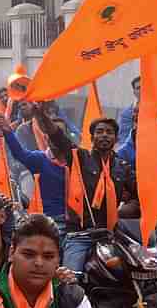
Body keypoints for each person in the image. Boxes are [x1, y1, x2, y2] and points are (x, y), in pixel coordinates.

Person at [35, 104, 138, 273]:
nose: (104, 135)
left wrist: (121, 212)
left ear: (116, 138)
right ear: (92, 138)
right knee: (70, 280)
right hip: (80, 236)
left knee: (131, 274)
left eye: (109, 132)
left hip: (111, 236)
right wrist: (41, 115)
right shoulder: (79, 157)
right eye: (100, 131)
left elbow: (140, 197)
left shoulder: (123, 167)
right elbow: (57, 136)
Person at [0, 114, 69, 240]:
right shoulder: (40, 159)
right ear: (46, 138)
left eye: (60, 134)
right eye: (52, 135)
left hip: (72, 223)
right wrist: (8, 133)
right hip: (45, 220)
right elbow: (20, 153)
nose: (56, 138)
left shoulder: (77, 161)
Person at [118, 76, 140, 147]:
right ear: (134, 92)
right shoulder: (127, 114)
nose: (142, 89)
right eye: (138, 88)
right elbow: (124, 139)